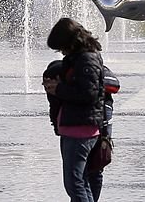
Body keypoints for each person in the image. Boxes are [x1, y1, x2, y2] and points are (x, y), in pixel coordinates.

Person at [43, 17, 105, 202]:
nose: (61, 52)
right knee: (80, 181)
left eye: (61, 47)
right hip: (75, 125)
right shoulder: (80, 58)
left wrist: (58, 89)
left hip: (81, 128)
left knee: (74, 182)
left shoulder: (86, 60)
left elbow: (88, 94)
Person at [44, 59, 119, 200]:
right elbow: (54, 107)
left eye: (48, 83)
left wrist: (105, 135)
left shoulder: (86, 73)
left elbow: (109, 90)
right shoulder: (62, 78)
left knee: (84, 176)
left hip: (91, 129)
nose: (47, 87)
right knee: (82, 178)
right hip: (82, 129)